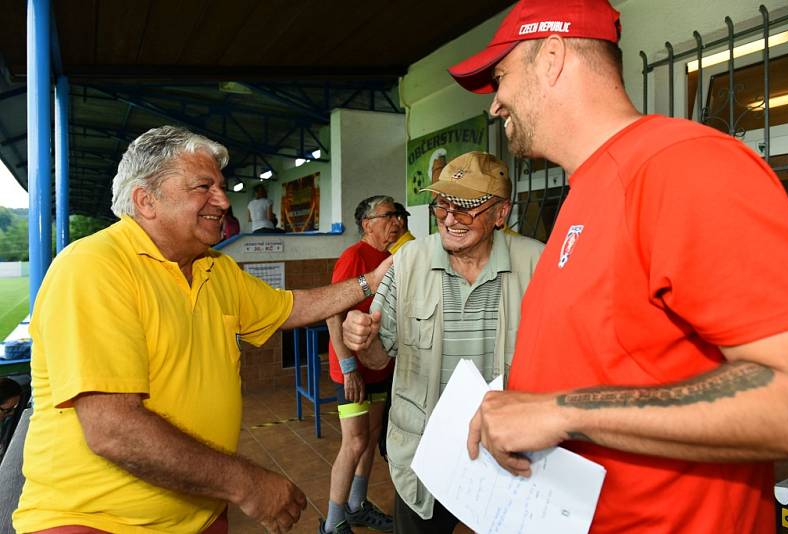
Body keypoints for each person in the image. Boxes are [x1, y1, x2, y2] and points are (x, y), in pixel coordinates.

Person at [447, 1, 788, 533]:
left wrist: (563, 410)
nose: (496, 105)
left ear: (551, 56)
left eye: (500, 79)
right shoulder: (587, 189)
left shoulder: (682, 167)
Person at [13, 125, 392, 534]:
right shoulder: (94, 267)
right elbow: (113, 429)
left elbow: (290, 307)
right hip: (96, 522)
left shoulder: (216, 268)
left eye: (222, 187)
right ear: (146, 200)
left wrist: (370, 281)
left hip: (199, 514)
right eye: (204, 187)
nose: (224, 201)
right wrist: (246, 484)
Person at [341, 151, 545, 533]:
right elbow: (378, 358)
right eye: (443, 205)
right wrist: (363, 340)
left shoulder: (536, 265)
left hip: (503, 451)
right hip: (424, 455)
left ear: (501, 213)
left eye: (466, 208)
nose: (450, 218)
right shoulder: (408, 262)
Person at [321, 195, 401, 534]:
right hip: (351, 369)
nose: (397, 221)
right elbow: (332, 311)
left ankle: (356, 505)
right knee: (353, 442)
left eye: (400, 215)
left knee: (369, 439)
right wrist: (348, 367)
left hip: (379, 366)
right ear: (367, 223)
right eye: (389, 215)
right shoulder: (354, 257)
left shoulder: (389, 259)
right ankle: (333, 522)